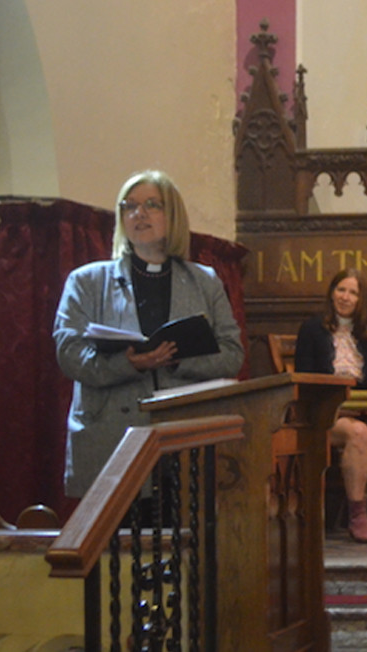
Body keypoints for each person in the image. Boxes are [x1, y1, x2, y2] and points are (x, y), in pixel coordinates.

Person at [54, 170, 244, 499]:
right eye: (129, 206)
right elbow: (69, 354)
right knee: (119, 544)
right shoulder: (86, 282)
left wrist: (175, 360)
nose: (138, 214)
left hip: (185, 435)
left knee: (187, 539)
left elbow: (232, 354)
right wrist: (130, 363)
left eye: (151, 205)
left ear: (172, 215)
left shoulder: (204, 281)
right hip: (111, 432)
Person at [294, 268, 367, 542]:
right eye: (341, 289)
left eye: (353, 293)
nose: (345, 297)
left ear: (361, 300)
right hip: (329, 413)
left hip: (365, 408)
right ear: (331, 293)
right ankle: (357, 516)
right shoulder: (311, 329)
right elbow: (305, 381)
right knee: (357, 433)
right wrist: (340, 406)